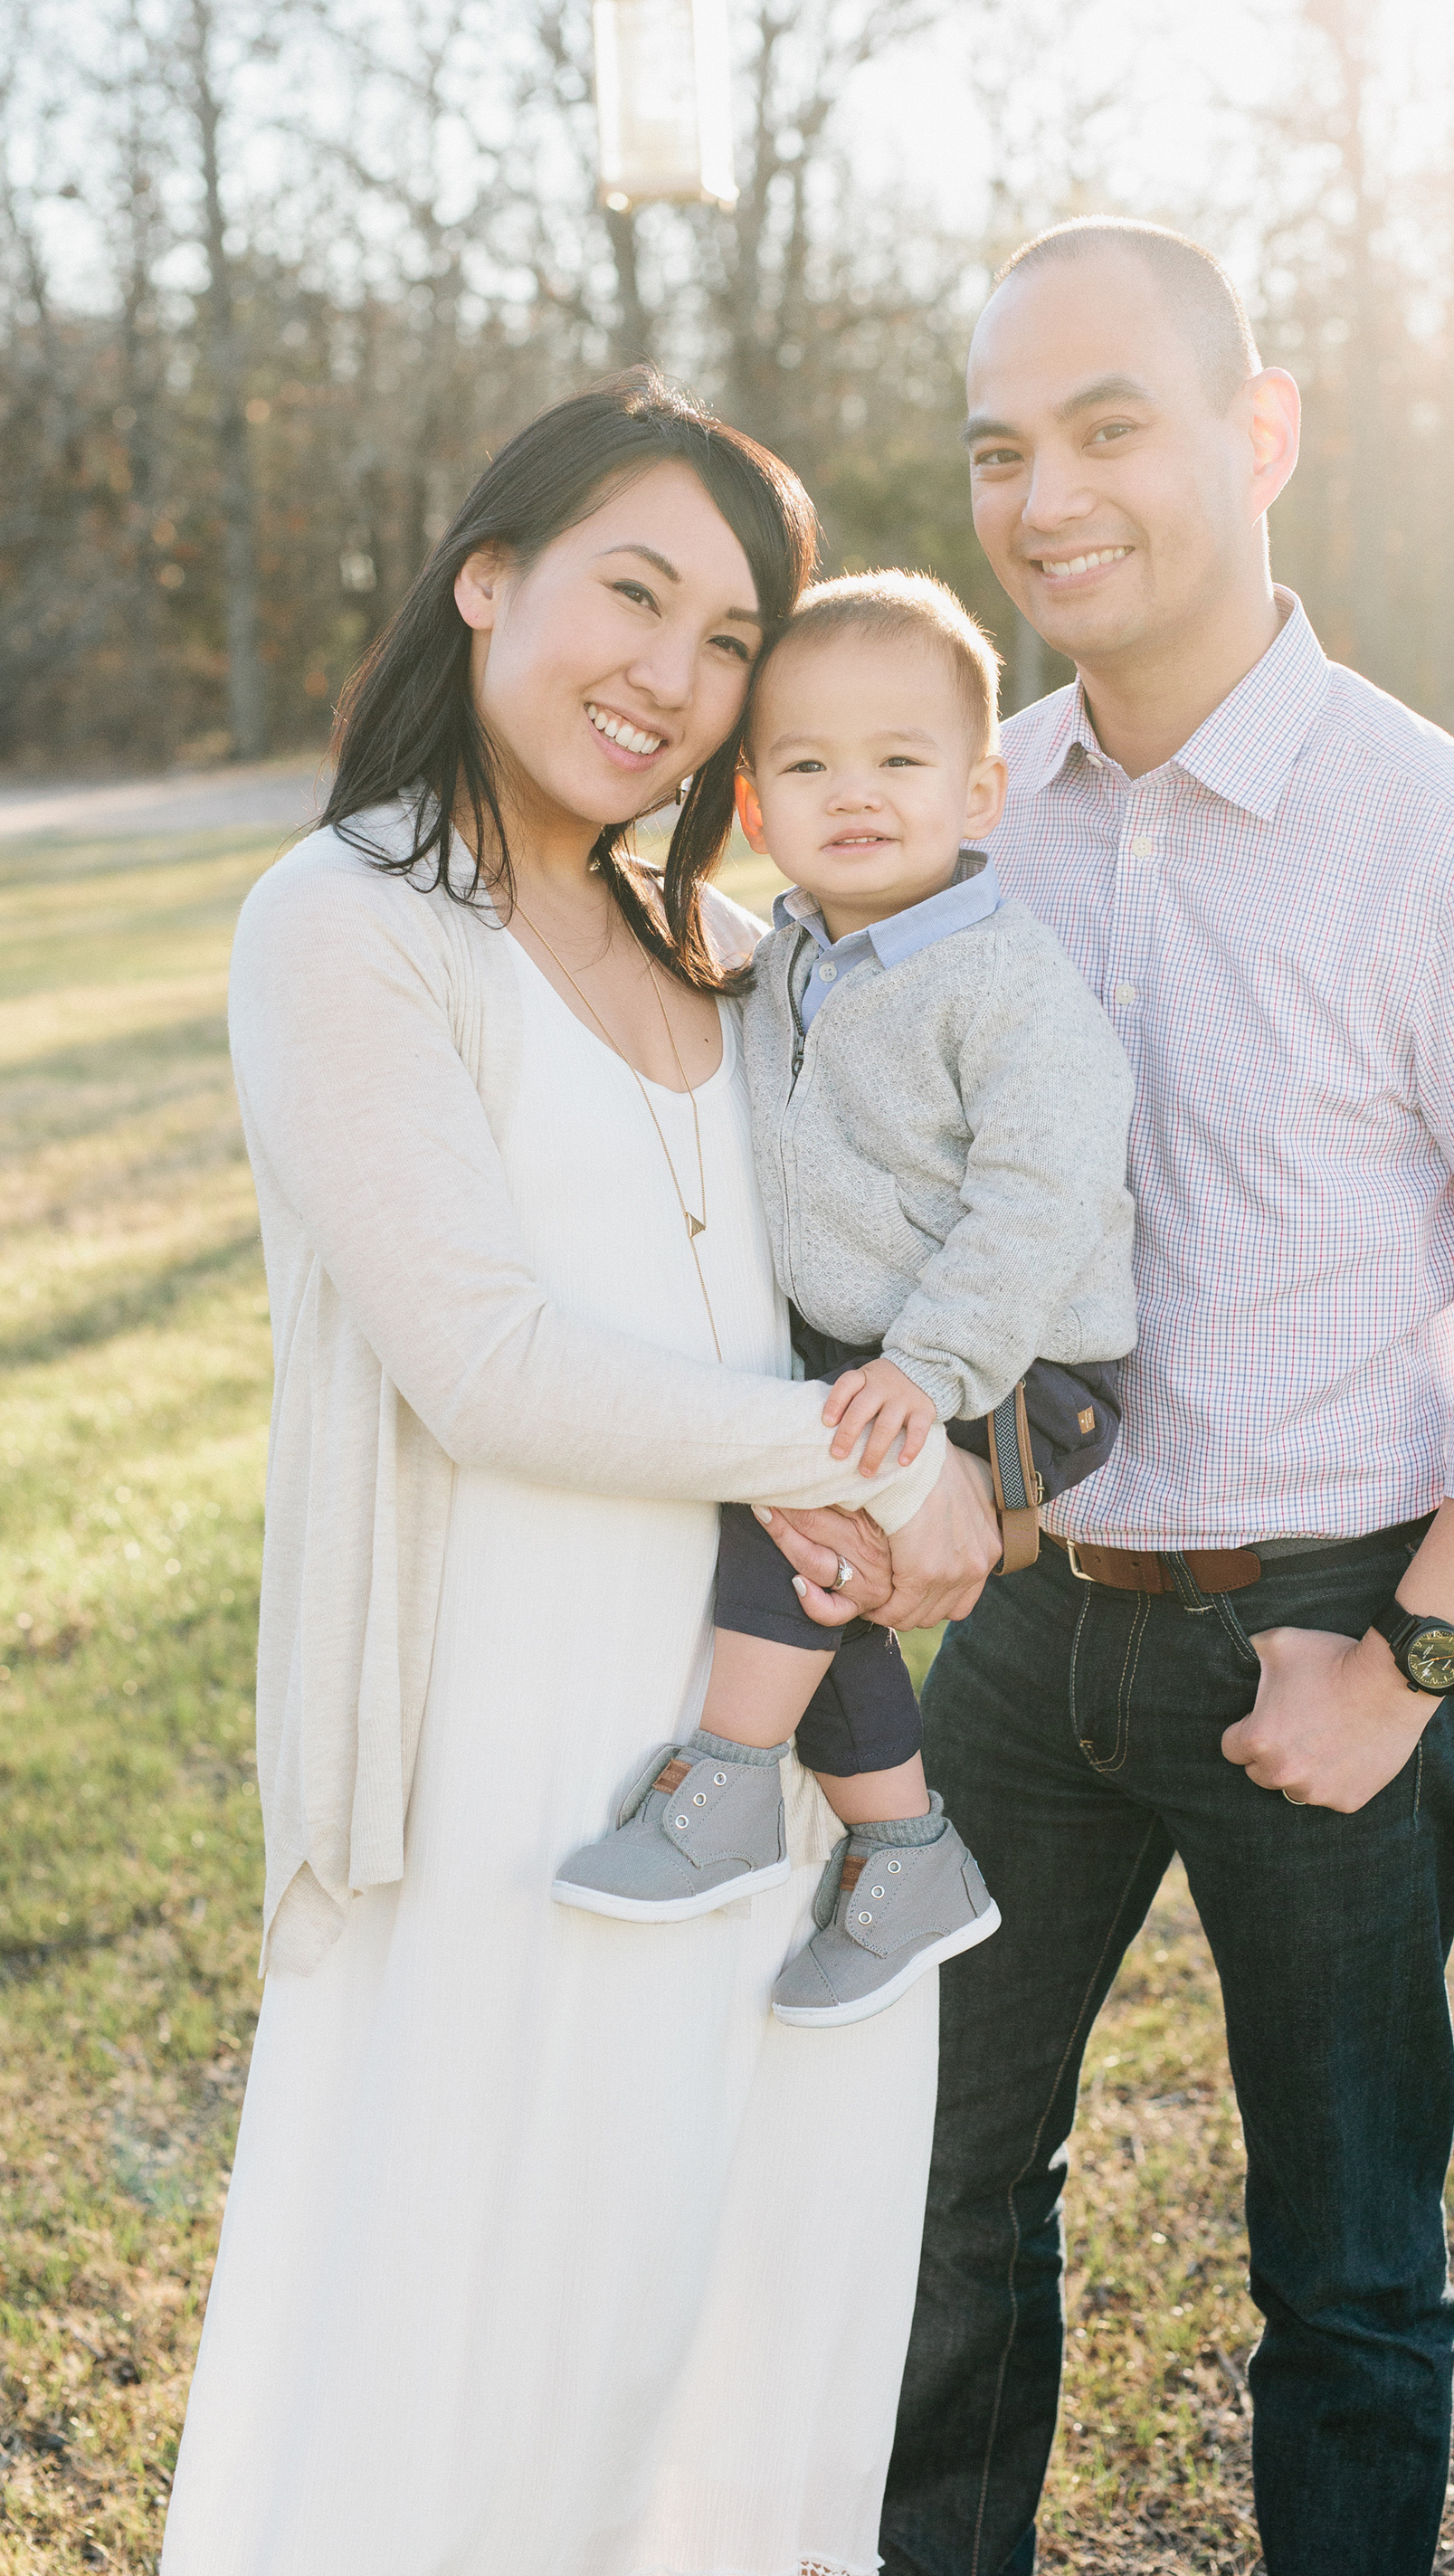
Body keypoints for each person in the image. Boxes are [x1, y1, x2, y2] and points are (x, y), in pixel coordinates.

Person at [830, 219, 1454, 2575]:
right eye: (1002, 448)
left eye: (1111, 428)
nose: (1046, 494)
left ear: (1256, 433)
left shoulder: (1452, 849)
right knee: (933, 2207)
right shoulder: (970, 802)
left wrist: (1408, 1653)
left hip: (1324, 1620)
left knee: (1350, 2272)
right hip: (1015, 1638)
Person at [159, 371, 999, 2576]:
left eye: (730, 640)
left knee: (752, 2339)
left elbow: (888, 1255)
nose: (675, 676)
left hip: (778, 1741)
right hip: (507, 1770)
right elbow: (488, 1367)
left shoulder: (728, 953)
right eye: (634, 595)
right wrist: (865, 1466)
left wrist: (956, 1471)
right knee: (496, 2374)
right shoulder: (344, 922)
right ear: (488, 577)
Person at [554, 571, 1136, 2028]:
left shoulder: (1004, 985)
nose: (855, 793)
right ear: (755, 809)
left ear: (982, 788)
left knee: (803, 1532)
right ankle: (903, 1852)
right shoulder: (791, 956)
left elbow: (1043, 1196)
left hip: (1017, 1368)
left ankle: (728, 1786)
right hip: (878, 1350)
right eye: (809, 765)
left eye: (900, 759)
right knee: (822, 1580)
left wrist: (934, 1370)